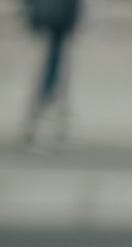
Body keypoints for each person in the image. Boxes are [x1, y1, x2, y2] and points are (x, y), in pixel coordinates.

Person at [19, 0, 81, 149]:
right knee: (54, 61)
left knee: (54, 60)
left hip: (50, 14)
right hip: (56, 15)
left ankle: (46, 113)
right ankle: (46, 111)